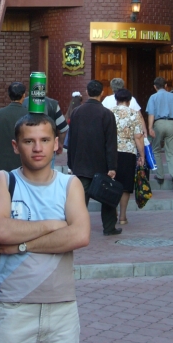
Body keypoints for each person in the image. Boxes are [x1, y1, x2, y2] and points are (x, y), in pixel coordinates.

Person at [0, 113, 90, 343]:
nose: (37, 148)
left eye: (44, 140)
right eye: (28, 141)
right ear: (16, 146)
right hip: (13, 306)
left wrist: (22, 245)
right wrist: (53, 224)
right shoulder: (4, 181)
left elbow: (80, 236)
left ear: (56, 144)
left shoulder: (69, 184)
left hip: (62, 309)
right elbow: (0, 231)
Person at [68, 79, 120, 236]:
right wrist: (112, 166)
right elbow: (111, 143)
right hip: (101, 164)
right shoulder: (107, 114)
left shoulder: (76, 112)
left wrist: (71, 163)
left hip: (81, 163)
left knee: (80, 200)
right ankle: (109, 227)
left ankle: (77, 228)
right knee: (107, 197)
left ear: (86, 92)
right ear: (102, 93)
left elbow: (72, 140)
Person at [146, 77, 173, 192]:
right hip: (172, 123)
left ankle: (160, 176)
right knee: (172, 152)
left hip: (158, 123)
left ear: (155, 87)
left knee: (156, 149)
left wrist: (150, 127)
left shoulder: (153, 97)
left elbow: (151, 114)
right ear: (166, 85)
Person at [112, 89, 145, 225]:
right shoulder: (134, 114)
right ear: (129, 101)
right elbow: (138, 136)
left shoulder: (109, 112)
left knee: (111, 182)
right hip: (128, 152)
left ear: (116, 100)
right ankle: (123, 217)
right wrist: (142, 155)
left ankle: (112, 211)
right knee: (125, 185)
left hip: (111, 152)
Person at [0, 82, 28, 174]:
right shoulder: (29, 115)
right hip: (24, 162)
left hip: (2, 163)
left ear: (9, 95)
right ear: (23, 95)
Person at [23, 93, 68, 166]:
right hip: (48, 148)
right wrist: (60, 143)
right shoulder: (53, 104)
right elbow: (63, 127)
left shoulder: (23, 103)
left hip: (27, 149)